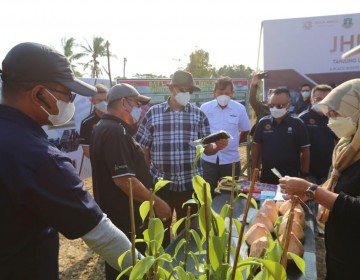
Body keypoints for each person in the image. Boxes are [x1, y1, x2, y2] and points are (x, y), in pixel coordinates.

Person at [0, 42, 140, 279]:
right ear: (39, 94)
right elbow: (102, 236)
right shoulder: (40, 158)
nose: (71, 102)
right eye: (68, 94)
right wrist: (162, 273)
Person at [279, 78, 360, 279]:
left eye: (337, 114)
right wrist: (309, 194)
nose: (331, 121)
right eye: (329, 115)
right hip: (341, 247)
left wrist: (312, 191)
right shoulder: (346, 146)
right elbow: (339, 189)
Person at [90, 83, 172, 279]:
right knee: (131, 269)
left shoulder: (107, 127)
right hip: (126, 218)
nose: (140, 109)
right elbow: (125, 181)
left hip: (119, 214)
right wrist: (157, 203)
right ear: (124, 103)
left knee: (122, 267)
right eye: (137, 103)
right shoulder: (115, 132)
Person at [135, 70, 227, 239]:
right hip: (161, 185)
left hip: (190, 185)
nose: (186, 94)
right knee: (160, 232)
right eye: (183, 89)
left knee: (188, 233)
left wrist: (217, 146)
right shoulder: (153, 114)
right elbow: (144, 149)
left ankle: (185, 264)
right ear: (172, 89)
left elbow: (206, 148)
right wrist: (148, 179)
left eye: (189, 91)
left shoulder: (198, 115)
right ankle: (159, 263)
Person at [200, 76, 251, 193]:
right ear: (214, 93)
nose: (223, 96)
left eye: (227, 93)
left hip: (230, 160)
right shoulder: (205, 108)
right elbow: (201, 131)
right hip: (208, 159)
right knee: (207, 194)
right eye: (220, 93)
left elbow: (245, 129)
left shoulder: (239, 109)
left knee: (229, 195)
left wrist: (234, 143)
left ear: (232, 93)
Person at [298, 84, 337, 234]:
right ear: (311, 100)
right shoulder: (302, 119)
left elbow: (338, 141)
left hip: (328, 170)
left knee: (324, 202)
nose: (322, 103)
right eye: (319, 99)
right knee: (309, 203)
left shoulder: (332, 118)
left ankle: (321, 229)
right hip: (309, 170)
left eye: (326, 99)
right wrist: (303, 171)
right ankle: (310, 233)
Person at [251, 87, 310, 184]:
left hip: (291, 178)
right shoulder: (263, 123)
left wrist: (304, 174)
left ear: (288, 105)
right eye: (271, 105)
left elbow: (305, 150)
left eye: (279, 106)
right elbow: (256, 147)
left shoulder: (298, 124)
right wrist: (254, 170)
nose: (274, 109)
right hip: (267, 177)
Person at [79, 83, 108, 158]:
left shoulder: (116, 118)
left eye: (106, 100)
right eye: (100, 100)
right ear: (92, 101)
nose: (104, 103)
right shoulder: (86, 123)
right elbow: (86, 151)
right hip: (100, 166)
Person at [248, 73, 270, 137]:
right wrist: (253, 85)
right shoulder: (262, 107)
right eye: (270, 94)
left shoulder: (282, 110)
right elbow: (252, 99)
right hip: (260, 140)